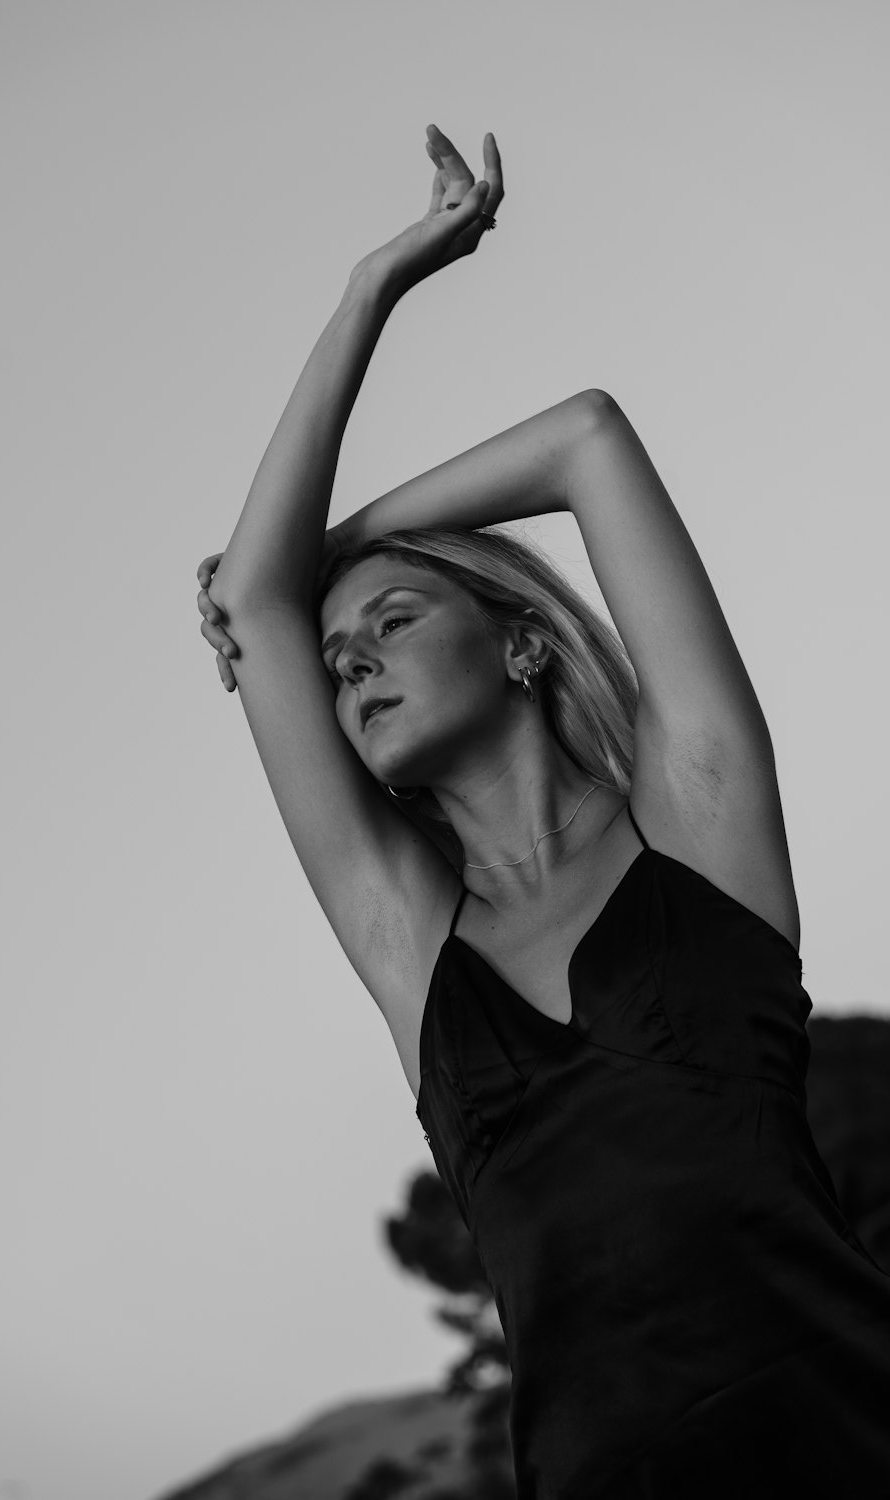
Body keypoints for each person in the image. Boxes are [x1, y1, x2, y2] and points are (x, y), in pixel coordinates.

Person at [195, 126, 890, 1498]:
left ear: (519, 643)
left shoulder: (701, 828)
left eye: (395, 621)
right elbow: (254, 612)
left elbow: (584, 437)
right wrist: (360, 306)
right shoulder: (412, 946)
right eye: (336, 666)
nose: (355, 664)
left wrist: (337, 541)